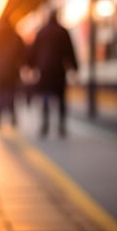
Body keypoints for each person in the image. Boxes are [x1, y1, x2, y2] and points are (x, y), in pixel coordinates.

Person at [28, 9, 78, 137]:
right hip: (59, 70)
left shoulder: (41, 32)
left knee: (45, 97)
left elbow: (33, 51)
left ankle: (45, 126)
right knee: (61, 98)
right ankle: (61, 127)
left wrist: (31, 67)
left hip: (44, 70)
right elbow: (70, 51)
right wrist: (74, 68)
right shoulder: (62, 31)